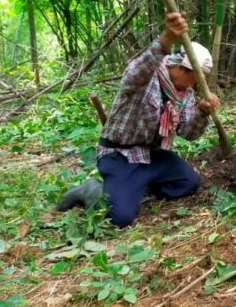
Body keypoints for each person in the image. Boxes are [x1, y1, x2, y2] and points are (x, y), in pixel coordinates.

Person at [57, 13, 220, 228]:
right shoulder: (147, 77)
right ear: (181, 68)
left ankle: (134, 186)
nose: (196, 85)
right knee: (120, 218)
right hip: (120, 155)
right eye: (196, 78)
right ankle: (93, 189)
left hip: (152, 155)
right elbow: (137, 71)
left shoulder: (184, 95)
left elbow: (188, 134)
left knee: (188, 182)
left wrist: (202, 112)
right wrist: (166, 40)